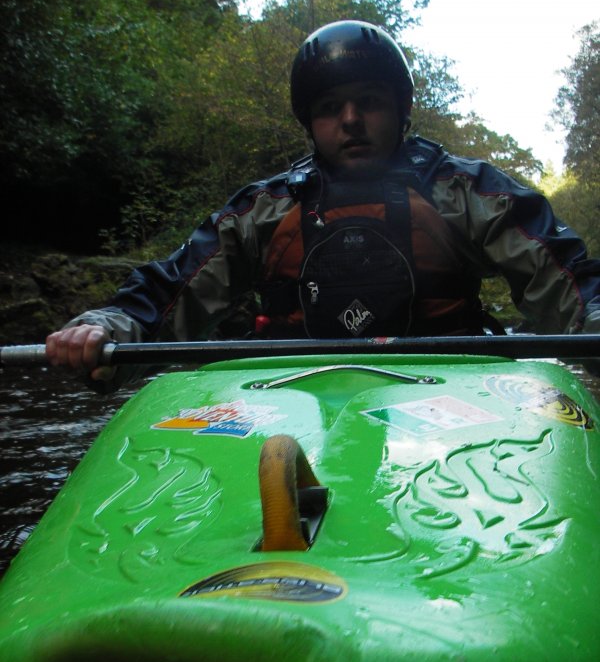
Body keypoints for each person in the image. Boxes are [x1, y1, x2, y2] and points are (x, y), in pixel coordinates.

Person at [46, 20, 600, 390]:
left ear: (401, 110)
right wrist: (106, 326)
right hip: (291, 395)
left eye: (370, 102)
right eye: (331, 107)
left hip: (449, 394)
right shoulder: (264, 211)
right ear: (310, 123)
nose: (351, 120)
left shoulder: (465, 192)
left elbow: (568, 279)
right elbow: (170, 290)